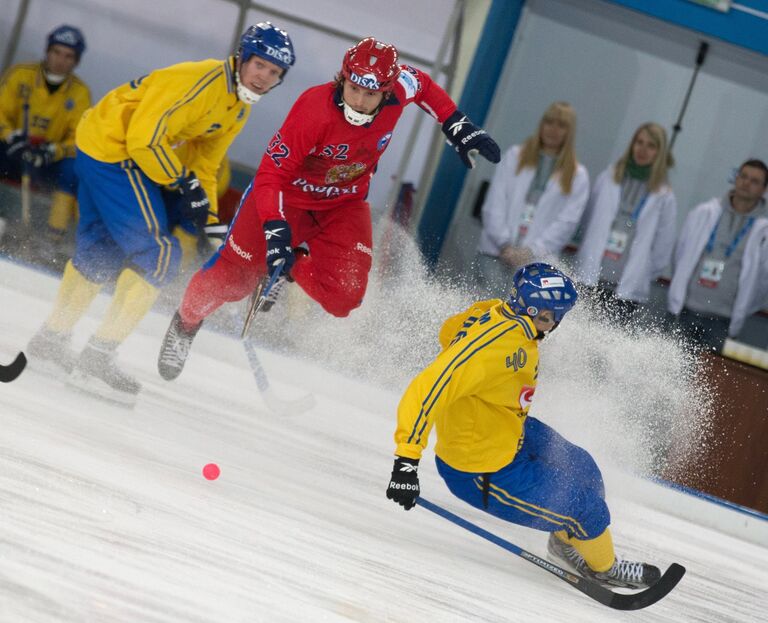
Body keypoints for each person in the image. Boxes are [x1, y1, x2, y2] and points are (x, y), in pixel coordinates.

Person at [157, 36, 501, 381]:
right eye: (353, 89)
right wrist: (276, 230)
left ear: (387, 92)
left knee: (344, 298)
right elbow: (271, 176)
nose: (360, 101)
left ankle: (289, 266)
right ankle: (185, 324)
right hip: (286, 199)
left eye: (371, 95)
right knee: (231, 283)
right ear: (343, 78)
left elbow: (424, 85)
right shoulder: (313, 110)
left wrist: (456, 124)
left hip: (343, 205)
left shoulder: (399, 88)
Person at [26, 22, 296, 403]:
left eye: (275, 73)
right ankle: (96, 359)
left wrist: (211, 216)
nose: (265, 77)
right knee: (160, 254)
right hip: (115, 152)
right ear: (243, 58)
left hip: (105, 146)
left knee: (101, 252)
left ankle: (49, 343)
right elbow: (143, 139)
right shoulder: (201, 82)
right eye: (260, 66)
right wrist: (182, 183)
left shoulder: (237, 106)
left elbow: (206, 162)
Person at [385, 263, 661, 590]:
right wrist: (406, 461)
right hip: (481, 470)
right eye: (552, 316)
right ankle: (604, 568)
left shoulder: (496, 312)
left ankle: (565, 542)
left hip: (507, 431)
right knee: (585, 507)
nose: (556, 324)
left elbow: (449, 331)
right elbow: (428, 388)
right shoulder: (494, 346)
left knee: (585, 468)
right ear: (534, 311)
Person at [475, 102, 589, 293]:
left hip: (535, 266)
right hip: (495, 253)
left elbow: (566, 223)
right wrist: (505, 245)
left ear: (569, 132)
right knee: (486, 311)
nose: (553, 129)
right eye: (549, 122)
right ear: (541, 124)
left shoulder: (577, 175)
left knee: (519, 318)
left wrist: (530, 252)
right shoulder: (515, 156)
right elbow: (495, 203)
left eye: (561, 125)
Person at [0, 25, 90, 249]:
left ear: (76, 61)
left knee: (74, 170)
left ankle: (51, 241)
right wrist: (10, 136)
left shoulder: (80, 93)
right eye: (57, 52)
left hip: (47, 160)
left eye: (68, 56)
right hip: (14, 150)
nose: (61, 60)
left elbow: (79, 138)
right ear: (47, 51)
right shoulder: (21, 74)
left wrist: (53, 151)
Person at [575, 123, 677, 319]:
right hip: (589, 280)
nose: (643, 150)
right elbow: (588, 221)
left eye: (651, 145)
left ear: (660, 152)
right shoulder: (608, 177)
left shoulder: (664, 196)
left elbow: (662, 249)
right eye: (639, 143)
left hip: (625, 293)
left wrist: (641, 272)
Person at [667, 159, 768, 351]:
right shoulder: (705, 212)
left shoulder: (763, 232)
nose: (746, 183)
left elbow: (763, 283)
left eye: (754, 181)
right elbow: (680, 254)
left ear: (764, 190)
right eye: (743, 176)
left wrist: (742, 309)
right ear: (735, 178)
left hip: (722, 323)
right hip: (685, 312)